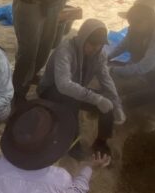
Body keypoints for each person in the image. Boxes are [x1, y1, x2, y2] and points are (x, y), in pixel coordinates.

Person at [38, 19, 123, 159]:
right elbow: (64, 85)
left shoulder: (99, 54)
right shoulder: (65, 50)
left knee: (108, 102)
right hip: (51, 91)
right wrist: (96, 98)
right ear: (83, 38)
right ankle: (72, 142)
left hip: (77, 91)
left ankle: (101, 142)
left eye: (99, 45)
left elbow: (106, 80)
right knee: (72, 99)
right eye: (92, 44)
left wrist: (117, 104)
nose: (95, 48)